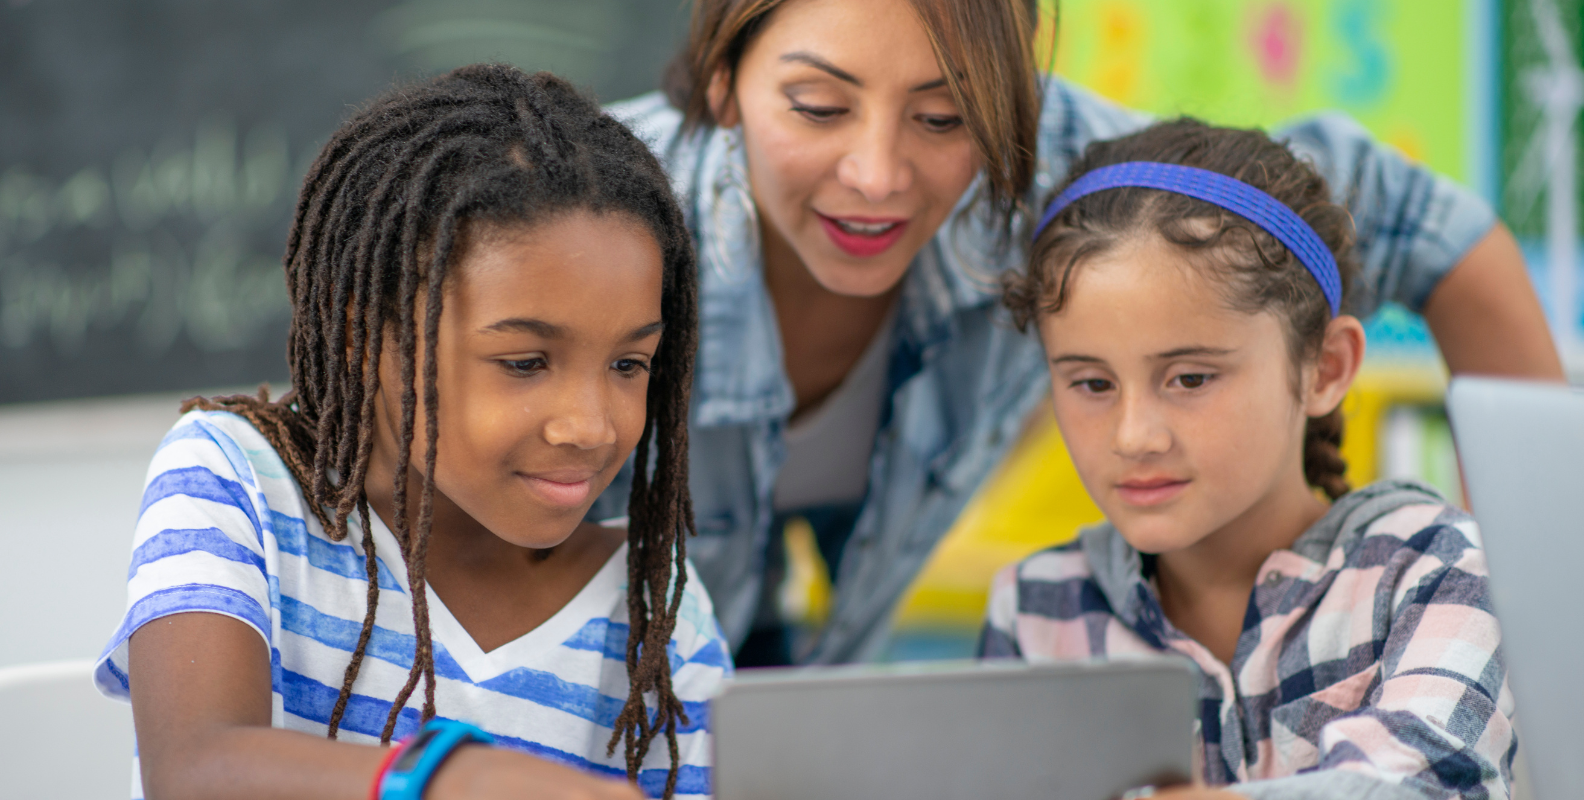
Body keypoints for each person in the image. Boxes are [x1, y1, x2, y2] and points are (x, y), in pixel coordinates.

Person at [595, 0, 1562, 667]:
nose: (878, 173)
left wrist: (1533, 614)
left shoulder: (1061, 170)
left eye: (944, 117)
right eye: (818, 107)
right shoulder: (588, 217)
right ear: (723, 80)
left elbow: (1424, 227)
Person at [93, 66, 729, 800]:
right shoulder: (237, 481)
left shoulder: (656, 605)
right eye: (524, 362)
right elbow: (196, 770)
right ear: (366, 335)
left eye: (629, 363)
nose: (588, 426)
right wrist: (456, 778)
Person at [981, 119, 1513, 798]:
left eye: (1191, 378)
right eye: (1091, 384)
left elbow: (1424, 787)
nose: (1133, 436)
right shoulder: (1031, 611)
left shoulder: (1438, 570)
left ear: (1323, 368)